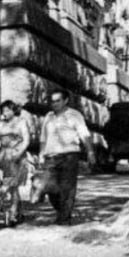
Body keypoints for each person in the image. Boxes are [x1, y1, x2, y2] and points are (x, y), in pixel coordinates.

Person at [38, 87, 93, 225]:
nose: (54, 104)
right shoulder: (49, 116)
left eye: (58, 101)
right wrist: (41, 153)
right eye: (52, 101)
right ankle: (63, 211)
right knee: (49, 187)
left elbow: (84, 134)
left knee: (67, 188)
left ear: (65, 100)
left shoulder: (75, 115)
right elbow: (43, 137)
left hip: (69, 155)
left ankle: (64, 219)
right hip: (51, 156)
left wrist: (90, 152)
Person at [0, 99, 32, 226]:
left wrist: (18, 153)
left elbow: (26, 140)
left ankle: (14, 211)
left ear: (13, 110)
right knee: (7, 184)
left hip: (17, 155)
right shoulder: (0, 124)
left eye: (8, 110)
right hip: (4, 156)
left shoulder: (21, 122)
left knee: (14, 185)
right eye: (3, 111)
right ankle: (17, 211)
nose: (5, 113)